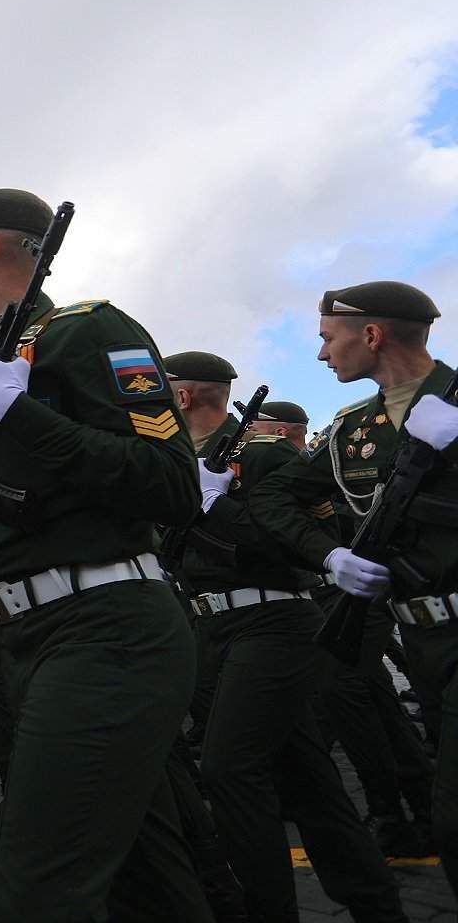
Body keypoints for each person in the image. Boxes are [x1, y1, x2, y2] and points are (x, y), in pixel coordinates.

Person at [0, 190, 210, 921]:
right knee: (143, 880)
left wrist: (20, 414)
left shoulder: (86, 331)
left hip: (106, 628)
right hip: (25, 639)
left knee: (37, 890)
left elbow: (170, 483)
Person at [164, 350, 408, 920]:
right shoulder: (175, 458)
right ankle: (376, 905)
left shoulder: (268, 454)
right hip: (212, 626)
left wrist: (214, 509)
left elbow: (309, 539)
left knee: (229, 770)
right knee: (308, 784)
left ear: (181, 396)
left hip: (272, 619)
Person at [254, 280, 458, 896]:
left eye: (327, 339)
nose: (321, 355)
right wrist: (330, 553)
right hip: (424, 642)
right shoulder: (353, 429)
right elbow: (274, 495)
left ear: (371, 335)